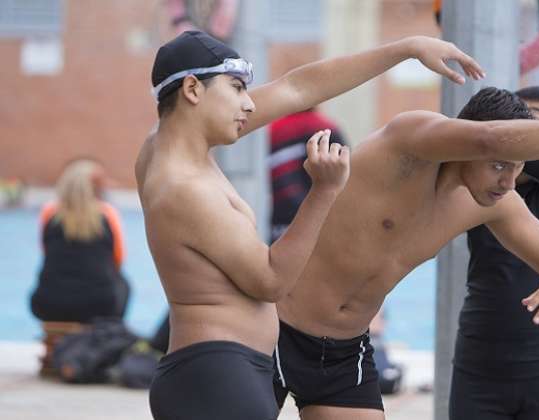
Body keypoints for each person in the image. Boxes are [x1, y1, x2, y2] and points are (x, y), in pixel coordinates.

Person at [273, 87, 539, 420]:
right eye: (499, 166)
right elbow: (491, 136)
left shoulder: (491, 203)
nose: (508, 182)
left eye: (518, 167)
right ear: (465, 141)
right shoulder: (407, 140)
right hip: (273, 331)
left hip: (344, 355)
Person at [136, 30, 484, 420]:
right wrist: (324, 191)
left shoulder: (160, 151)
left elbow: (297, 88)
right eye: (236, 88)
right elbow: (270, 280)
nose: (249, 104)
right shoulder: (186, 188)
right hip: (217, 377)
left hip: (217, 371)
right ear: (192, 89)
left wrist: (405, 49)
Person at [450, 86, 539, 420]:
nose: (519, 128)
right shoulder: (477, 190)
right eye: (516, 119)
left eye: (534, 120)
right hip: (478, 364)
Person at [31, 158, 130, 323]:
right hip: (100, 306)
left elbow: (45, 252)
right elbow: (118, 259)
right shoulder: (107, 213)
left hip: (48, 304)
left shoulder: (49, 212)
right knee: (123, 284)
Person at [270, 108, 348, 243]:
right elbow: (342, 176)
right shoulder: (324, 127)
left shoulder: (271, 129)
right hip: (314, 221)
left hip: (274, 222)